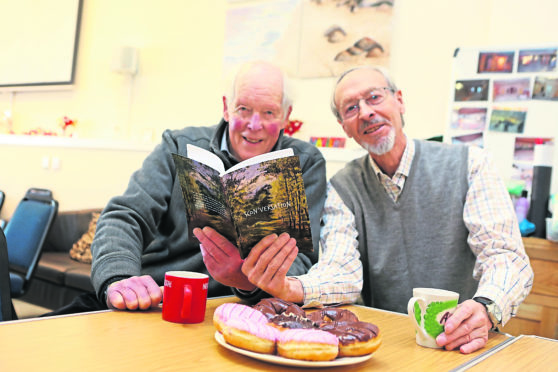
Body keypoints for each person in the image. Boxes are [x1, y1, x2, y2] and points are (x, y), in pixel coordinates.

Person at [252, 65, 533, 354]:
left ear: (399, 101)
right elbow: (342, 270)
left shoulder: (471, 164)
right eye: (350, 108)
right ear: (345, 127)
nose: (365, 112)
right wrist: (290, 287)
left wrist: (486, 308)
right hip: (389, 347)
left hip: (465, 342)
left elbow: (504, 256)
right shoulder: (342, 187)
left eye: (374, 97)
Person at [88, 61, 326, 312]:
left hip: (239, 309)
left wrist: (247, 282)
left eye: (269, 113)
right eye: (243, 109)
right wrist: (119, 279)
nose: (254, 125)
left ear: (285, 117)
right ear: (226, 108)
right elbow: (126, 216)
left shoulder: (305, 163)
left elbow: (302, 260)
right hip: (158, 298)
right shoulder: (179, 145)